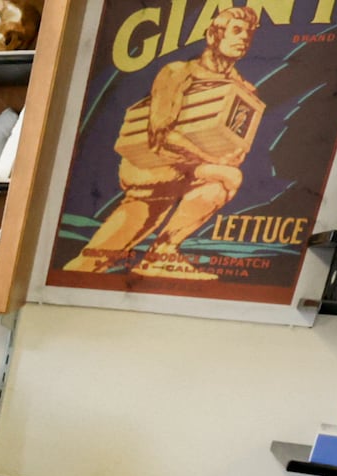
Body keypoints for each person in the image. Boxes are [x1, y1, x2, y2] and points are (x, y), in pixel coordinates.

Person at [62, 6, 261, 280]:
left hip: (187, 171)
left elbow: (233, 143)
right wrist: (209, 161)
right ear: (214, 36)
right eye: (237, 31)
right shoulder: (178, 73)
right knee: (92, 262)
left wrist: (228, 154)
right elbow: (161, 137)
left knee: (223, 180)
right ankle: (159, 254)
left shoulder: (240, 86)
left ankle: (163, 253)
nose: (244, 38)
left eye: (248, 33)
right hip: (152, 167)